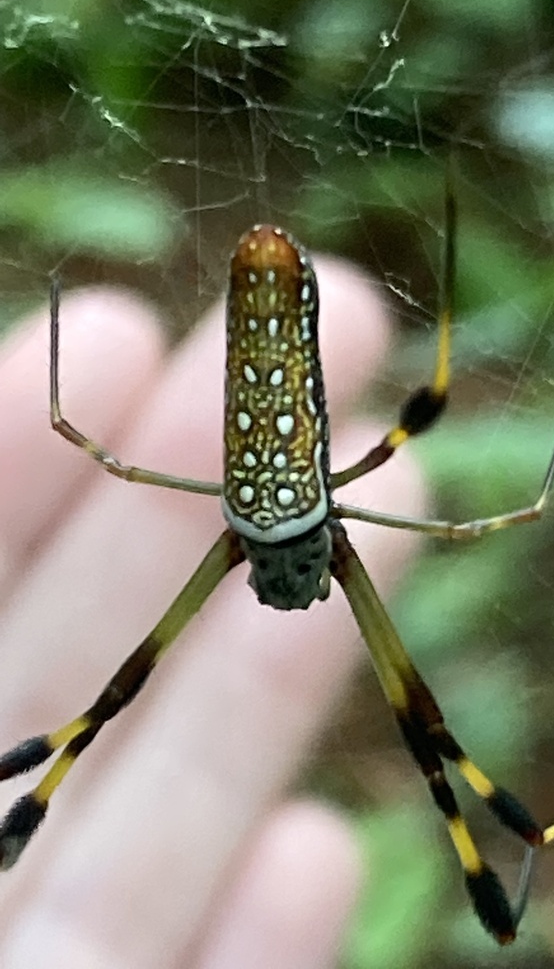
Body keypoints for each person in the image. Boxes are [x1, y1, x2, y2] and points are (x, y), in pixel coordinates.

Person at [0, 253, 424, 967]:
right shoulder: (326, 544)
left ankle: (38, 789)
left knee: (115, 692)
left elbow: (89, 441)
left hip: (265, 503)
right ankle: (37, 792)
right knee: (120, 689)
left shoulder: (259, 547)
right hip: (284, 496)